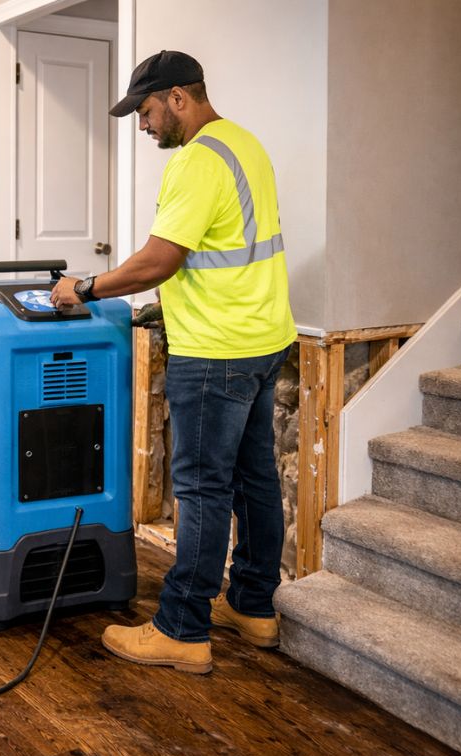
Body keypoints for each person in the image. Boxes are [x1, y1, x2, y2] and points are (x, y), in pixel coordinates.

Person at [49, 50, 295, 675]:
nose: (143, 124)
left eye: (147, 110)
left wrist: (84, 288)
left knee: (202, 488)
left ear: (179, 98)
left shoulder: (196, 160)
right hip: (263, 339)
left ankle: (182, 628)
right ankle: (253, 606)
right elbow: (227, 248)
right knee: (255, 480)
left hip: (215, 353)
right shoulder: (246, 145)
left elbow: (160, 258)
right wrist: (171, 304)